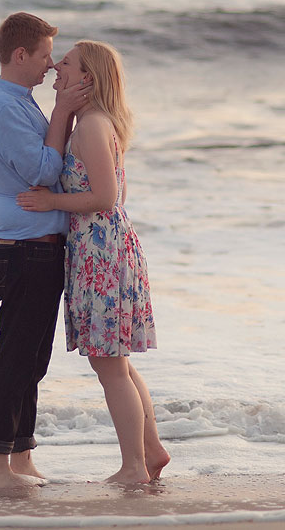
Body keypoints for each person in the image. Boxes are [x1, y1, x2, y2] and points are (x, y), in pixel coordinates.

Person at [16, 40, 170, 484]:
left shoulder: (93, 126)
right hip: (101, 248)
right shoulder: (89, 122)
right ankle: (151, 452)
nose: (56, 68)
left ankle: (135, 468)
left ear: (88, 78)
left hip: (102, 250)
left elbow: (103, 197)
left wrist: (50, 202)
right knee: (114, 361)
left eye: (66, 64)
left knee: (109, 363)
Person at [0, 12, 90, 490]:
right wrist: (64, 112)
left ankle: (21, 458)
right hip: (22, 250)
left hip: (36, 247)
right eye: (44, 55)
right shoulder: (4, 106)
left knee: (33, 358)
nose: (49, 65)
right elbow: (41, 171)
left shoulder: (19, 102)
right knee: (16, 357)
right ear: (20, 55)